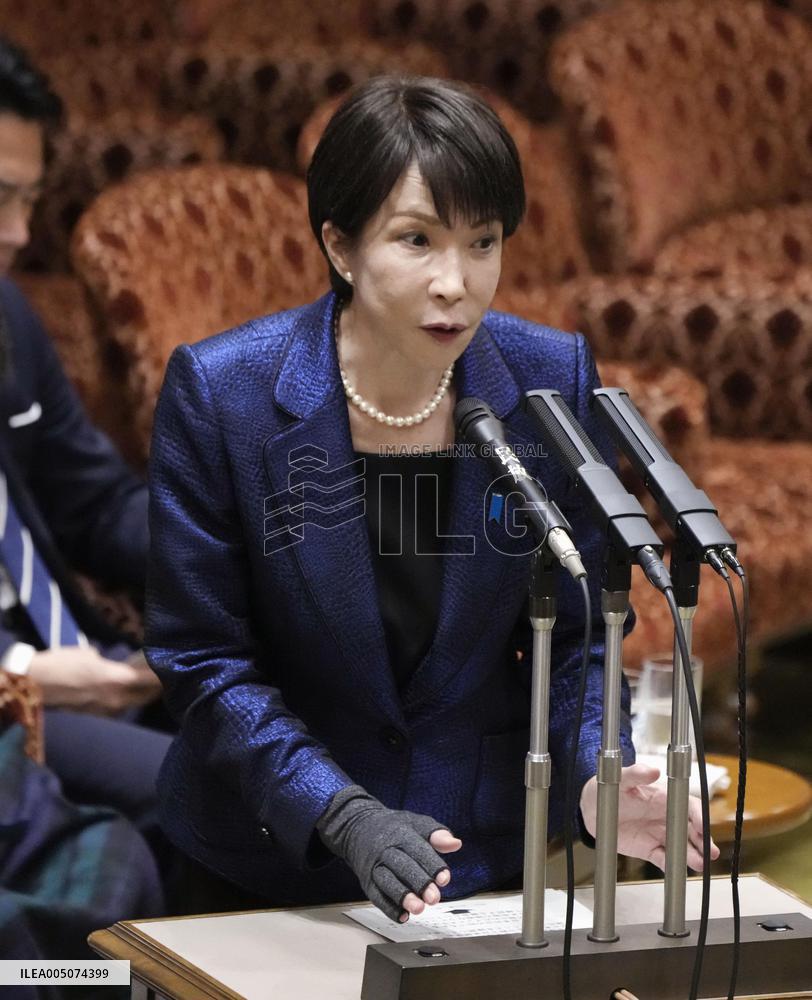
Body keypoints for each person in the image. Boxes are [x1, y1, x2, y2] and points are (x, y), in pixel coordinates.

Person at [146, 76, 718, 923]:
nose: (457, 281)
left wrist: (599, 776)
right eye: (417, 240)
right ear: (340, 246)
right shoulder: (221, 393)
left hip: (473, 855)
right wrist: (339, 811)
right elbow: (204, 661)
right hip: (265, 861)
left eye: (482, 243)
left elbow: (581, 637)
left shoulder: (547, 380)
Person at [0, 36, 171, 838]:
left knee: (293, 748)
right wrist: (23, 673)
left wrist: (231, 546)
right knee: (200, 795)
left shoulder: (7, 316)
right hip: (15, 700)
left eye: (29, 201)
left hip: (84, 659)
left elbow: (96, 503)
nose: (19, 234)